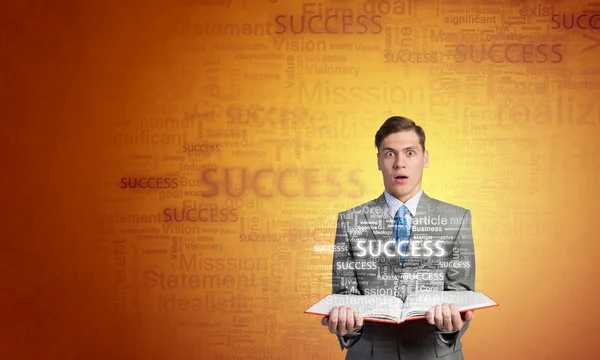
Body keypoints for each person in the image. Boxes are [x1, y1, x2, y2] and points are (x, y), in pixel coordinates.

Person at [321, 116, 476, 360]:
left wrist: (452, 323)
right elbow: (344, 298)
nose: (399, 163)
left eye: (410, 153)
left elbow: (462, 295)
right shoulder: (349, 221)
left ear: (425, 158)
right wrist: (347, 325)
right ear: (379, 161)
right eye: (390, 154)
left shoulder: (457, 219)